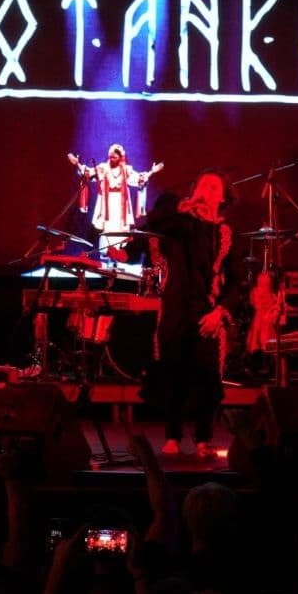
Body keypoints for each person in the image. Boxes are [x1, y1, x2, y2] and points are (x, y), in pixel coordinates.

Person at [130, 170, 244, 457]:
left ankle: (204, 438)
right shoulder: (177, 224)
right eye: (202, 185)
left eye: (213, 187)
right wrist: (182, 208)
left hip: (208, 312)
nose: (206, 190)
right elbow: (152, 222)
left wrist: (221, 312)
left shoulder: (225, 234)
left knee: (208, 377)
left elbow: (236, 282)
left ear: (223, 197)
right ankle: (172, 436)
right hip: (175, 310)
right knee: (174, 374)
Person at [67, 144, 163, 262]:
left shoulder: (126, 170)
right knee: (107, 229)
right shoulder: (103, 168)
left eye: (116, 155)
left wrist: (152, 171)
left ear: (120, 157)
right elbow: (88, 173)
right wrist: (77, 163)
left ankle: (118, 257)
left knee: (120, 230)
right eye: (111, 154)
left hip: (121, 205)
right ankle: (106, 256)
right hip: (107, 205)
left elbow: (140, 178)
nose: (113, 156)